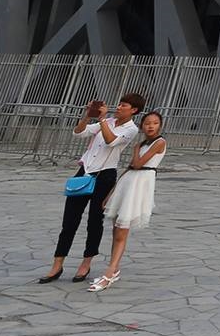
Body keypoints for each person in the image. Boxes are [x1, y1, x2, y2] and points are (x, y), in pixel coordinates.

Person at [39, 93, 145, 284]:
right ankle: (57, 263)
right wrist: (88, 115)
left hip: (104, 176)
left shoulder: (131, 129)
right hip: (85, 171)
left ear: (134, 110)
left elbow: (112, 141)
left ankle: (86, 262)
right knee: (69, 220)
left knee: (94, 221)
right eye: (119, 104)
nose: (118, 107)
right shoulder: (108, 121)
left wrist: (103, 119)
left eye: (124, 105)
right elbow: (79, 132)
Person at [89, 112, 166, 292]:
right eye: (147, 123)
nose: (151, 126)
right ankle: (113, 268)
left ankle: (109, 272)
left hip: (139, 185)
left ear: (160, 126)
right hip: (128, 183)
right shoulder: (141, 144)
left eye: (155, 123)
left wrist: (137, 150)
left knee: (122, 230)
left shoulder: (159, 143)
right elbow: (130, 168)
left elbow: (138, 164)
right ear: (142, 126)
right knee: (117, 229)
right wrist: (111, 194)